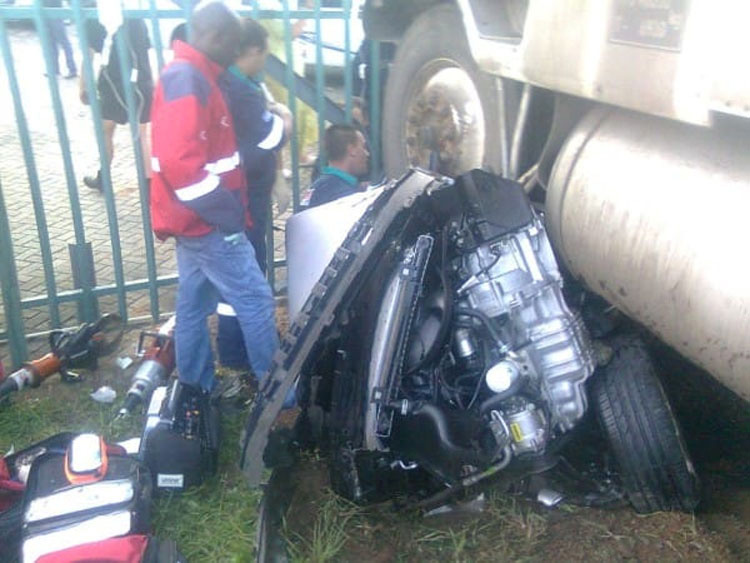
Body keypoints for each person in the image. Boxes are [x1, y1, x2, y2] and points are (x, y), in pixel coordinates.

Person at [149, 2, 278, 396]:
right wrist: (226, 213)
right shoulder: (189, 79)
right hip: (209, 223)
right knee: (256, 300)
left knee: (192, 307)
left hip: (197, 221)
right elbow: (180, 163)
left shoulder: (198, 76)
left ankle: (195, 387)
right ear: (215, 38)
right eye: (233, 44)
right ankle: (279, 396)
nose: (236, 53)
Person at [215, 18, 293, 371]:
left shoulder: (233, 82)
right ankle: (243, 354)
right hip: (244, 199)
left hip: (238, 196)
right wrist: (285, 119)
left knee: (232, 278)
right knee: (249, 276)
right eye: (264, 54)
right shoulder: (241, 90)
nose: (265, 62)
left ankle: (233, 348)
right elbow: (267, 139)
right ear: (253, 51)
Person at [80, 16, 153, 191]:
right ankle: (149, 187)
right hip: (142, 82)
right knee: (141, 136)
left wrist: (83, 86)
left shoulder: (95, 16)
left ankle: (103, 178)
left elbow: (88, 58)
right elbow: (145, 50)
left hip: (112, 83)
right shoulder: (135, 16)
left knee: (105, 131)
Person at [308, 124, 369, 208]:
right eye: (363, 147)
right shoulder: (345, 196)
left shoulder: (318, 186)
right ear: (352, 150)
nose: (367, 153)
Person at [43, 0, 77, 79]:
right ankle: (55, 69)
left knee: (64, 43)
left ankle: (72, 69)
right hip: (46, 12)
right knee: (51, 43)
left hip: (55, 13)